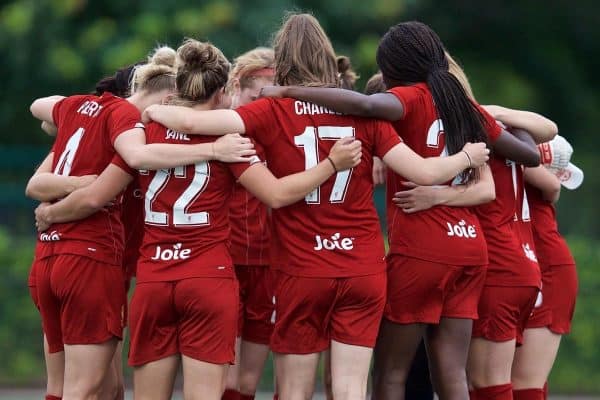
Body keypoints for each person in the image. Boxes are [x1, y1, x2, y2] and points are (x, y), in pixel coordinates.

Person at [142, 14, 489, 400]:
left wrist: (153, 111)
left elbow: (196, 123)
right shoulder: (362, 114)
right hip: (361, 265)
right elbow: (423, 171)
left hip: (302, 266)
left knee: (294, 389)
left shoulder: (269, 110)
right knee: (350, 388)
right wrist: (467, 158)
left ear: (283, 60)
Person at [26, 42, 256, 400]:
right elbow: (122, 169)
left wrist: (52, 210)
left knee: (101, 388)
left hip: (72, 261)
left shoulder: (89, 111)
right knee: (85, 389)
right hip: (102, 259)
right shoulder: (134, 129)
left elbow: (38, 151)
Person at [221, 47, 276, 400]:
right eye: (258, 96)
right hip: (223, 257)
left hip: (267, 257)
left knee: (247, 384)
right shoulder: (220, 125)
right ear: (237, 85)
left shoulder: (276, 126)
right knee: (224, 379)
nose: (264, 105)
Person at [509, 137, 580, 400]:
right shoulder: (510, 172)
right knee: (513, 382)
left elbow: (552, 186)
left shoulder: (520, 170)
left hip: (547, 269)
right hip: (524, 267)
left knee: (525, 383)